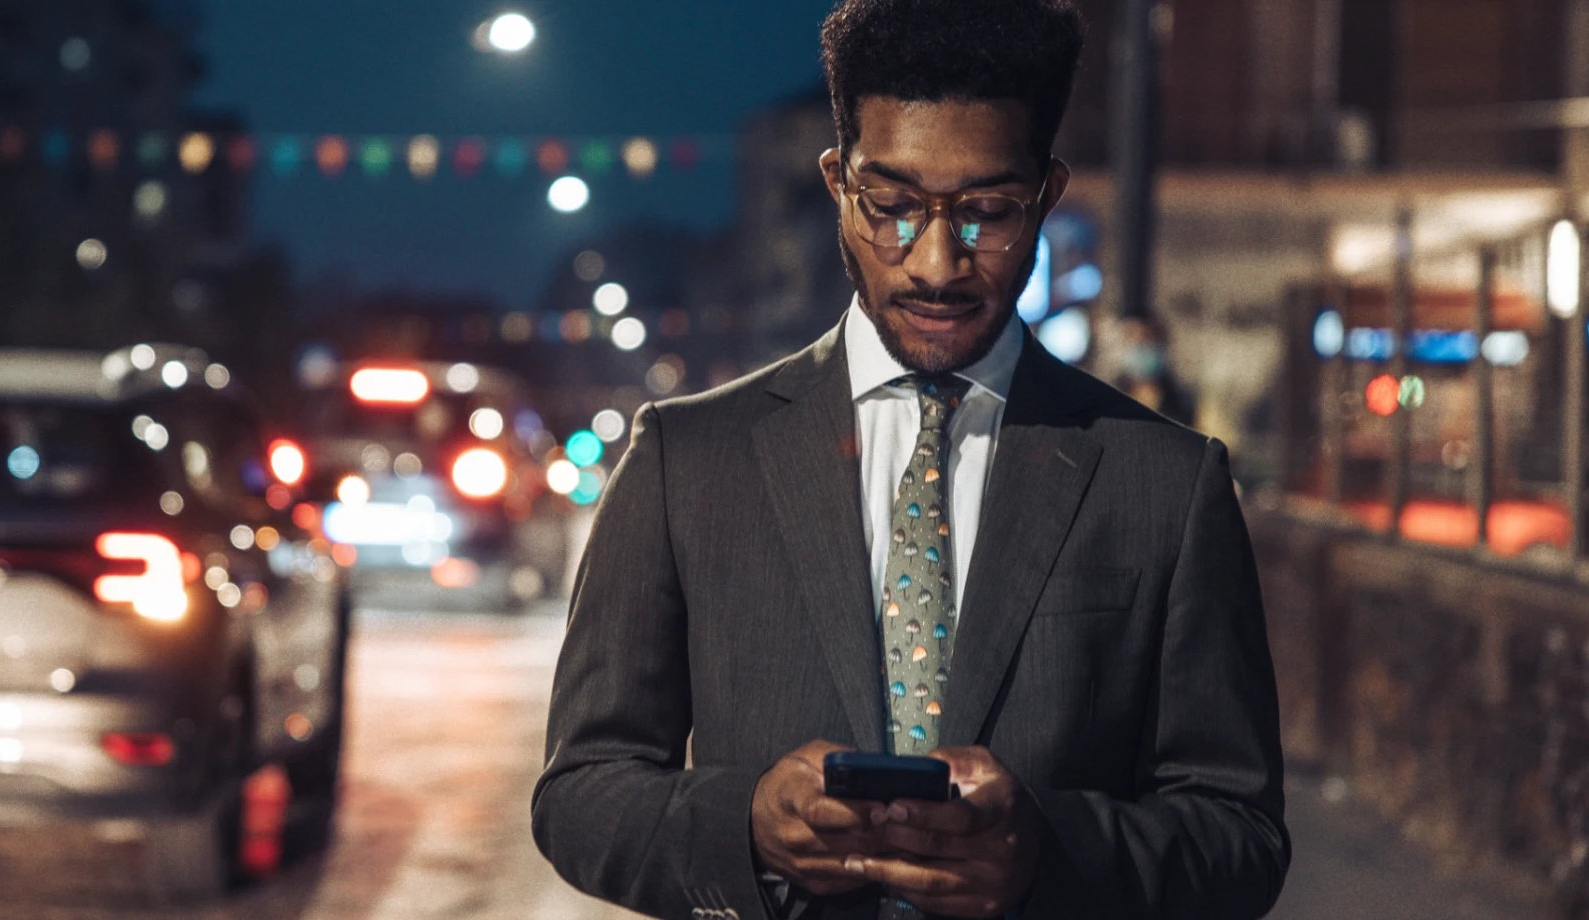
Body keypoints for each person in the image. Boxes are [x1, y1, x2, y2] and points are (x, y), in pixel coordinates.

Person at [531, 1, 1288, 917]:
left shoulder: (1165, 483)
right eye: (891, 207)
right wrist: (745, 827)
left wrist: (1047, 853)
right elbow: (580, 793)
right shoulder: (685, 462)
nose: (936, 262)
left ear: (1046, 196)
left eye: (987, 214)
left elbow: (1240, 834)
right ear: (837, 185)